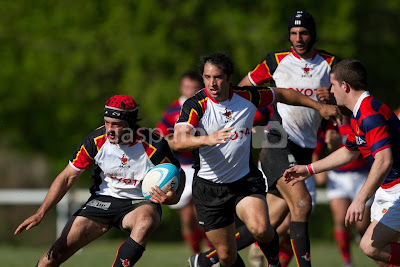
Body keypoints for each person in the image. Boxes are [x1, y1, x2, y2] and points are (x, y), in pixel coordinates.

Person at [195, 10, 341, 267]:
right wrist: (230, 122)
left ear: (313, 33)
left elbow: (345, 105)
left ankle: (205, 261)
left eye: (303, 32)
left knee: (266, 224)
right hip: (274, 137)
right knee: (302, 203)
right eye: (293, 33)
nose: (298, 38)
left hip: (305, 146)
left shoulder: (331, 64)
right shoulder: (275, 60)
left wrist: (333, 103)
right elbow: (239, 89)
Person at [14, 95, 185, 267]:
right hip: (103, 199)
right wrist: (40, 213)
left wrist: (174, 197)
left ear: (130, 124)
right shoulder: (96, 141)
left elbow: (179, 172)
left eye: (116, 124)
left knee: (147, 221)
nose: (109, 129)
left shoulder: (154, 144)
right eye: (107, 122)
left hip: (139, 202)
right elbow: (67, 177)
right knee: (52, 256)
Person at [284, 59, 400, 267]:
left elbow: (384, 161)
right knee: (381, 253)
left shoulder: (369, 114)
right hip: (388, 189)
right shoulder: (360, 112)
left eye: (333, 85)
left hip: (397, 189)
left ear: (344, 86)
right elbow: (348, 152)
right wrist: (309, 169)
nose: (330, 91)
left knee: (370, 246)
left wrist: (359, 200)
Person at [156, 70, 211, 253]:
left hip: (204, 165)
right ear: (181, 87)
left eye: (194, 88)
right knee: (187, 218)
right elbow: (160, 138)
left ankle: (211, 251)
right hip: (180, 167)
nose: (190, 91)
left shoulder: (208, 106)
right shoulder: (171, 110)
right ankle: (196, 254)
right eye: (187, 87)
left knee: (203, 214)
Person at [313, 117, 372, 267]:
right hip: (337, 177)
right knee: (340, 219)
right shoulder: (329, 124)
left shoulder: (361, 121)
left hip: (361, 176)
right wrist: (317, 168)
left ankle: (361, 236)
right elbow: (317, 148)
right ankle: (347, 261)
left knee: (362, 224)